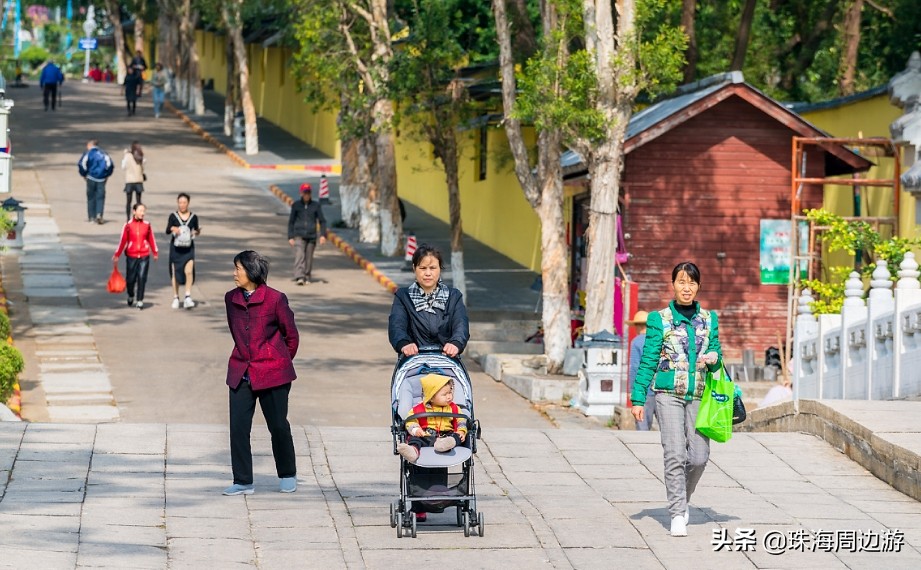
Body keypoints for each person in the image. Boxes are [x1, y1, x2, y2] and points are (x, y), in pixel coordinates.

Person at [630, 261, 722, 538]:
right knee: (674, 454)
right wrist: (637, 398)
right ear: (673, 285)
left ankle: (683, 499)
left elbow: (716, 351)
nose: (686, 287)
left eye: (691, 283)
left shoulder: (709, 318)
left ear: (698, 286)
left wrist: (715, 358)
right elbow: (648, 360)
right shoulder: (659, 319)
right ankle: (677, 513)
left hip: (698, 394)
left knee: (698, 456)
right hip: (667, 394)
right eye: (681, 282)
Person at [223, 250, 299, 496]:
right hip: (241, 370)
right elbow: (237, 332)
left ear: (252, 271)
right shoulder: (230, 298)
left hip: (272, 372)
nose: (234, 274)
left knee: (277, 425)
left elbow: (291, 336)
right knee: (238, 428)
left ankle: (287, 473)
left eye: (238, 269)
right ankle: (243, 480)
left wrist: (277, 360)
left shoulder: (276, 299)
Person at [389, 243, 469, 360]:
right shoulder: (403, 296)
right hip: (412, 362)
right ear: (414, 268)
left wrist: (455, 343)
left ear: (439, 269)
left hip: (447, 362)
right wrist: (404, 344)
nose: (427, 273)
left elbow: (461, 325)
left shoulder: (454, 296)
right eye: (422, 268)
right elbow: (396, 325)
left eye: (432, 268)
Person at [396, 373, 467, 464]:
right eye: (445, 394)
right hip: (426, 435)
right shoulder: (419, 409)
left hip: (447, 435)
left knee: (457, 437)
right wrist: (416, 430)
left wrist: (461, 431)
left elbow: (461, 420)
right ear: (431, 397)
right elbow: (410, 421)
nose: (449, 396)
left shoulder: (454, 408)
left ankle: (445, 444)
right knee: (415, 439)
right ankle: (413, 451)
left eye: (450, 392)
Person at [112, 203, 159, 310]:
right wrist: (117, 254)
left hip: (144, 255)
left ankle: (140, 300)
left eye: (144, 211)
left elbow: (151, 239)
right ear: (134, 211)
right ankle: (131, 294)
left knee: (142, 277)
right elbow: (123, 241)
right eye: (140, 211)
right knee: (130, 279)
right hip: (131, 256)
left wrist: (155, 252)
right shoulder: (128, 225)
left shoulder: (147, 225)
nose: (143, 213)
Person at [165, 193, 201, 309]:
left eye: (184, 202)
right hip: (176, 249)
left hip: (188, 249)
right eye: (180, 202)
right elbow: (167, 230)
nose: (182, 205)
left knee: (189, 271)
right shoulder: (173, 216)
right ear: (177, 203)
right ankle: (176, 297)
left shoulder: (194, 217)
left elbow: (196, 230)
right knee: (175, 272)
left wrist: (196, 232)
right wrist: (173, 228)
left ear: (188, 203)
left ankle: (187, 296)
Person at [287, 183, 327, 285]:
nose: (306, 195)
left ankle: (307, 275)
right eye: (305, 192)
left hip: (312, 235)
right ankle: (299, 276)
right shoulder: (296, 206)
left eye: (308, 192)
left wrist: (323, 235)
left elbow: (322, 221)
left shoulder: (316, 206)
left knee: (309, 257)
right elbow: (291, 222)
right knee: (300, 255)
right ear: (301, 193)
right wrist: (290, 236)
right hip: (299, 235)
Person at [627, 310, 656, 431]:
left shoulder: (636, 342)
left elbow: (634, 367)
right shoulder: (657, 341)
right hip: (661, 389)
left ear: (638, 326)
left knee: (642, 425)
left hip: (644, 391)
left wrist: (632, 390)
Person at [77, 139, 114, 224]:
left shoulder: (88, 153)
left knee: (90, 197)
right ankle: (99, 214)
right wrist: (107, 175)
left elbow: (81, 164)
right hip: (101, 178)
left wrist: (84, 174)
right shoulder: (104, 154)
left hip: (91, 177)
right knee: (100, 197)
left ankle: (91, 216)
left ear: (90, 145)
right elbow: (110, 165)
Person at [121, 141, 145, 221]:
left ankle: (128, 217)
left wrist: (125, 154)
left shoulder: (127, 156)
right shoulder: (140, 156)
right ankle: (139, 216)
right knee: (138, 201)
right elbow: (144, 164)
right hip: (138, 180)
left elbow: (123, 166)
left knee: (128, 201)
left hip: (129, 180)